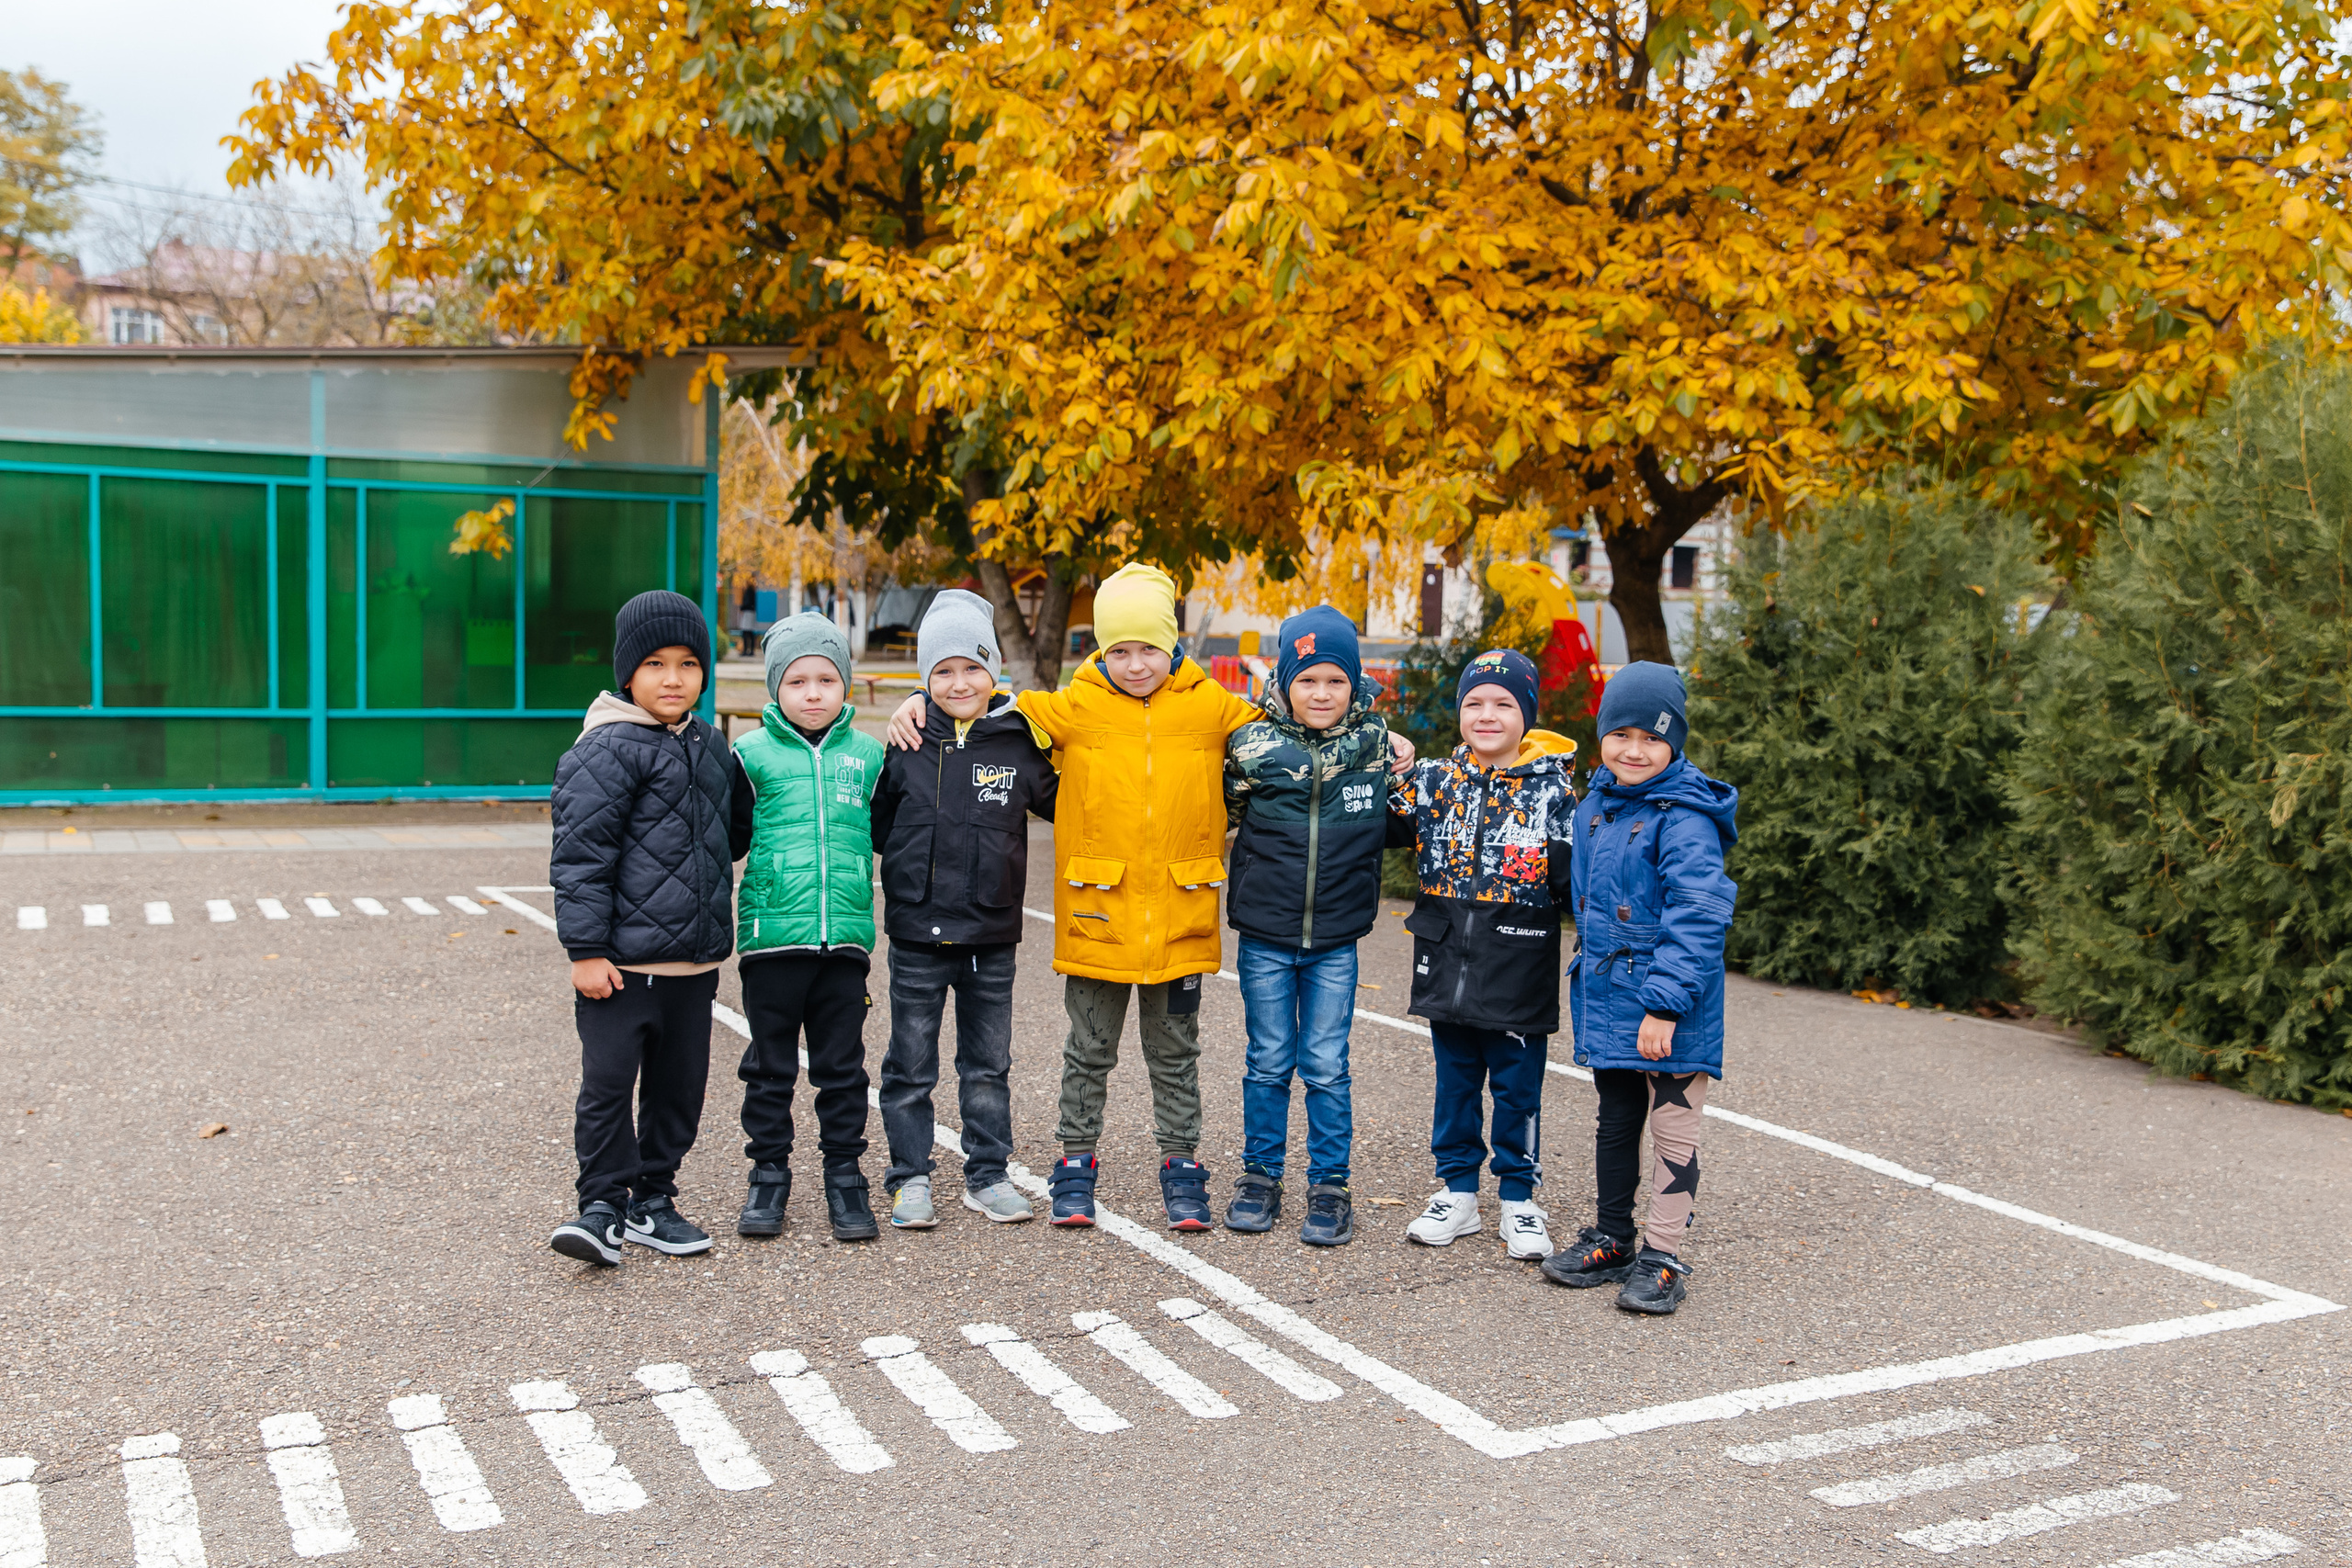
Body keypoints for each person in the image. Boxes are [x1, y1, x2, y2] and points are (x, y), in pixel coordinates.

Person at [548, 590, 751, 1266]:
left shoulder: (713, 745)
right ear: (627, 673)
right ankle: (602, 1206)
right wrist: (585, 950)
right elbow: (581, 857)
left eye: (689, 663)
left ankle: (652, 1200)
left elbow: (736, 829)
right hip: (620, 968)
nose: (674, 678)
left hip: (691, 967)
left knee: (678, 1092)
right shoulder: (604, 748)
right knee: (608, 1086)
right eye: (656, 663)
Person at [1540, 661, 1737, 1315]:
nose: (1634, 749)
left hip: (1670, 1010)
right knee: (1616, 1121)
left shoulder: (1685, 816)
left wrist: (1664, 1005)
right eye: (1620, 733)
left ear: (1675, 743)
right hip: (1610, 1000)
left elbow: (1699, 913)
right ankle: (1614, 1237)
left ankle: (1663, 1255)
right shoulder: (1595, 805)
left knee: (1674, 1134)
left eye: (1651, 738)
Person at [868, 590, 1058, 1229]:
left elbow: (1069, 798)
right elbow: (878, 826)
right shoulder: (905, 743)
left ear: (995, 669)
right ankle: (910, 1176)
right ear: (924, 679)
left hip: (991, 937)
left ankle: (987, 1173)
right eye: (942, 671)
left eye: (973, 667)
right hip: (918, 936)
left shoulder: (1019, 743)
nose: (959, 682)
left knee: (986, 1066)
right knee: (909, 1065)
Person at [1388, 649, 1577, 1262]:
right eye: (1475, 703)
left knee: (1519, 1089)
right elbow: (1379, 818)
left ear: (1527, 713)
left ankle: (1520, 1198)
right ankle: (1459, 1192)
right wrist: (1384, 754)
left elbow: (1573, 881)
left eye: (1503, 703)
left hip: (1517, 966)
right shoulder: (1434, 780)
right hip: (1447, 959)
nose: (1487, 714)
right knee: (1455, 1082)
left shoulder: (1555, 790)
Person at [1219, 605, 1394, 1247]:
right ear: (1284, 682)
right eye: (1307, 680)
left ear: (1354, 683)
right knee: (1267, 1059)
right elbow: (1229, 807)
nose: (1321, 694)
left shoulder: (1374, 743)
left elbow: (1402, 782)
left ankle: (1330, 1185)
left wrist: (1398, 743)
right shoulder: (1251, 744)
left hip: (1336, 939)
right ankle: (1260, 1176)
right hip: (1265, 934)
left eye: (1336, 681)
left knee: (1325, 1063)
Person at [731, 611, 889, 1243]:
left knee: (842, 1068)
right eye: (797, 681)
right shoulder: (748, 755)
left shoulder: (871, 756)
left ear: (845, 685)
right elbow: (726, 842)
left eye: (827, 678)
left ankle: (845, 1173)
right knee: (769, 1069)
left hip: (843, 943)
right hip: (773, 942)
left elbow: (896, 835)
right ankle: (768, 1173)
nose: (814, 693)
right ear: (776, 688)